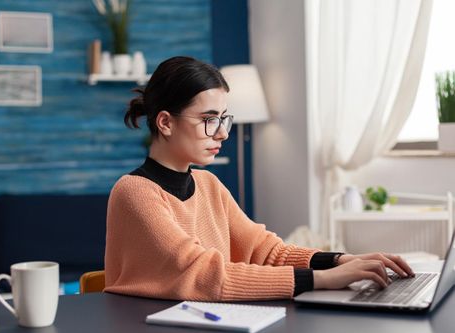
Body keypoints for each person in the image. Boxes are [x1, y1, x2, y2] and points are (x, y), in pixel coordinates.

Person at [104, 56, 414, 301]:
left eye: (224, 119)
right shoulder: (134, 192)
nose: (223, 133)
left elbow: (267, 253)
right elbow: (202, 273)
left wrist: (341, 261)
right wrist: (322, 279)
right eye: (209, 120)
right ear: (165, 123)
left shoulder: (208, 185)